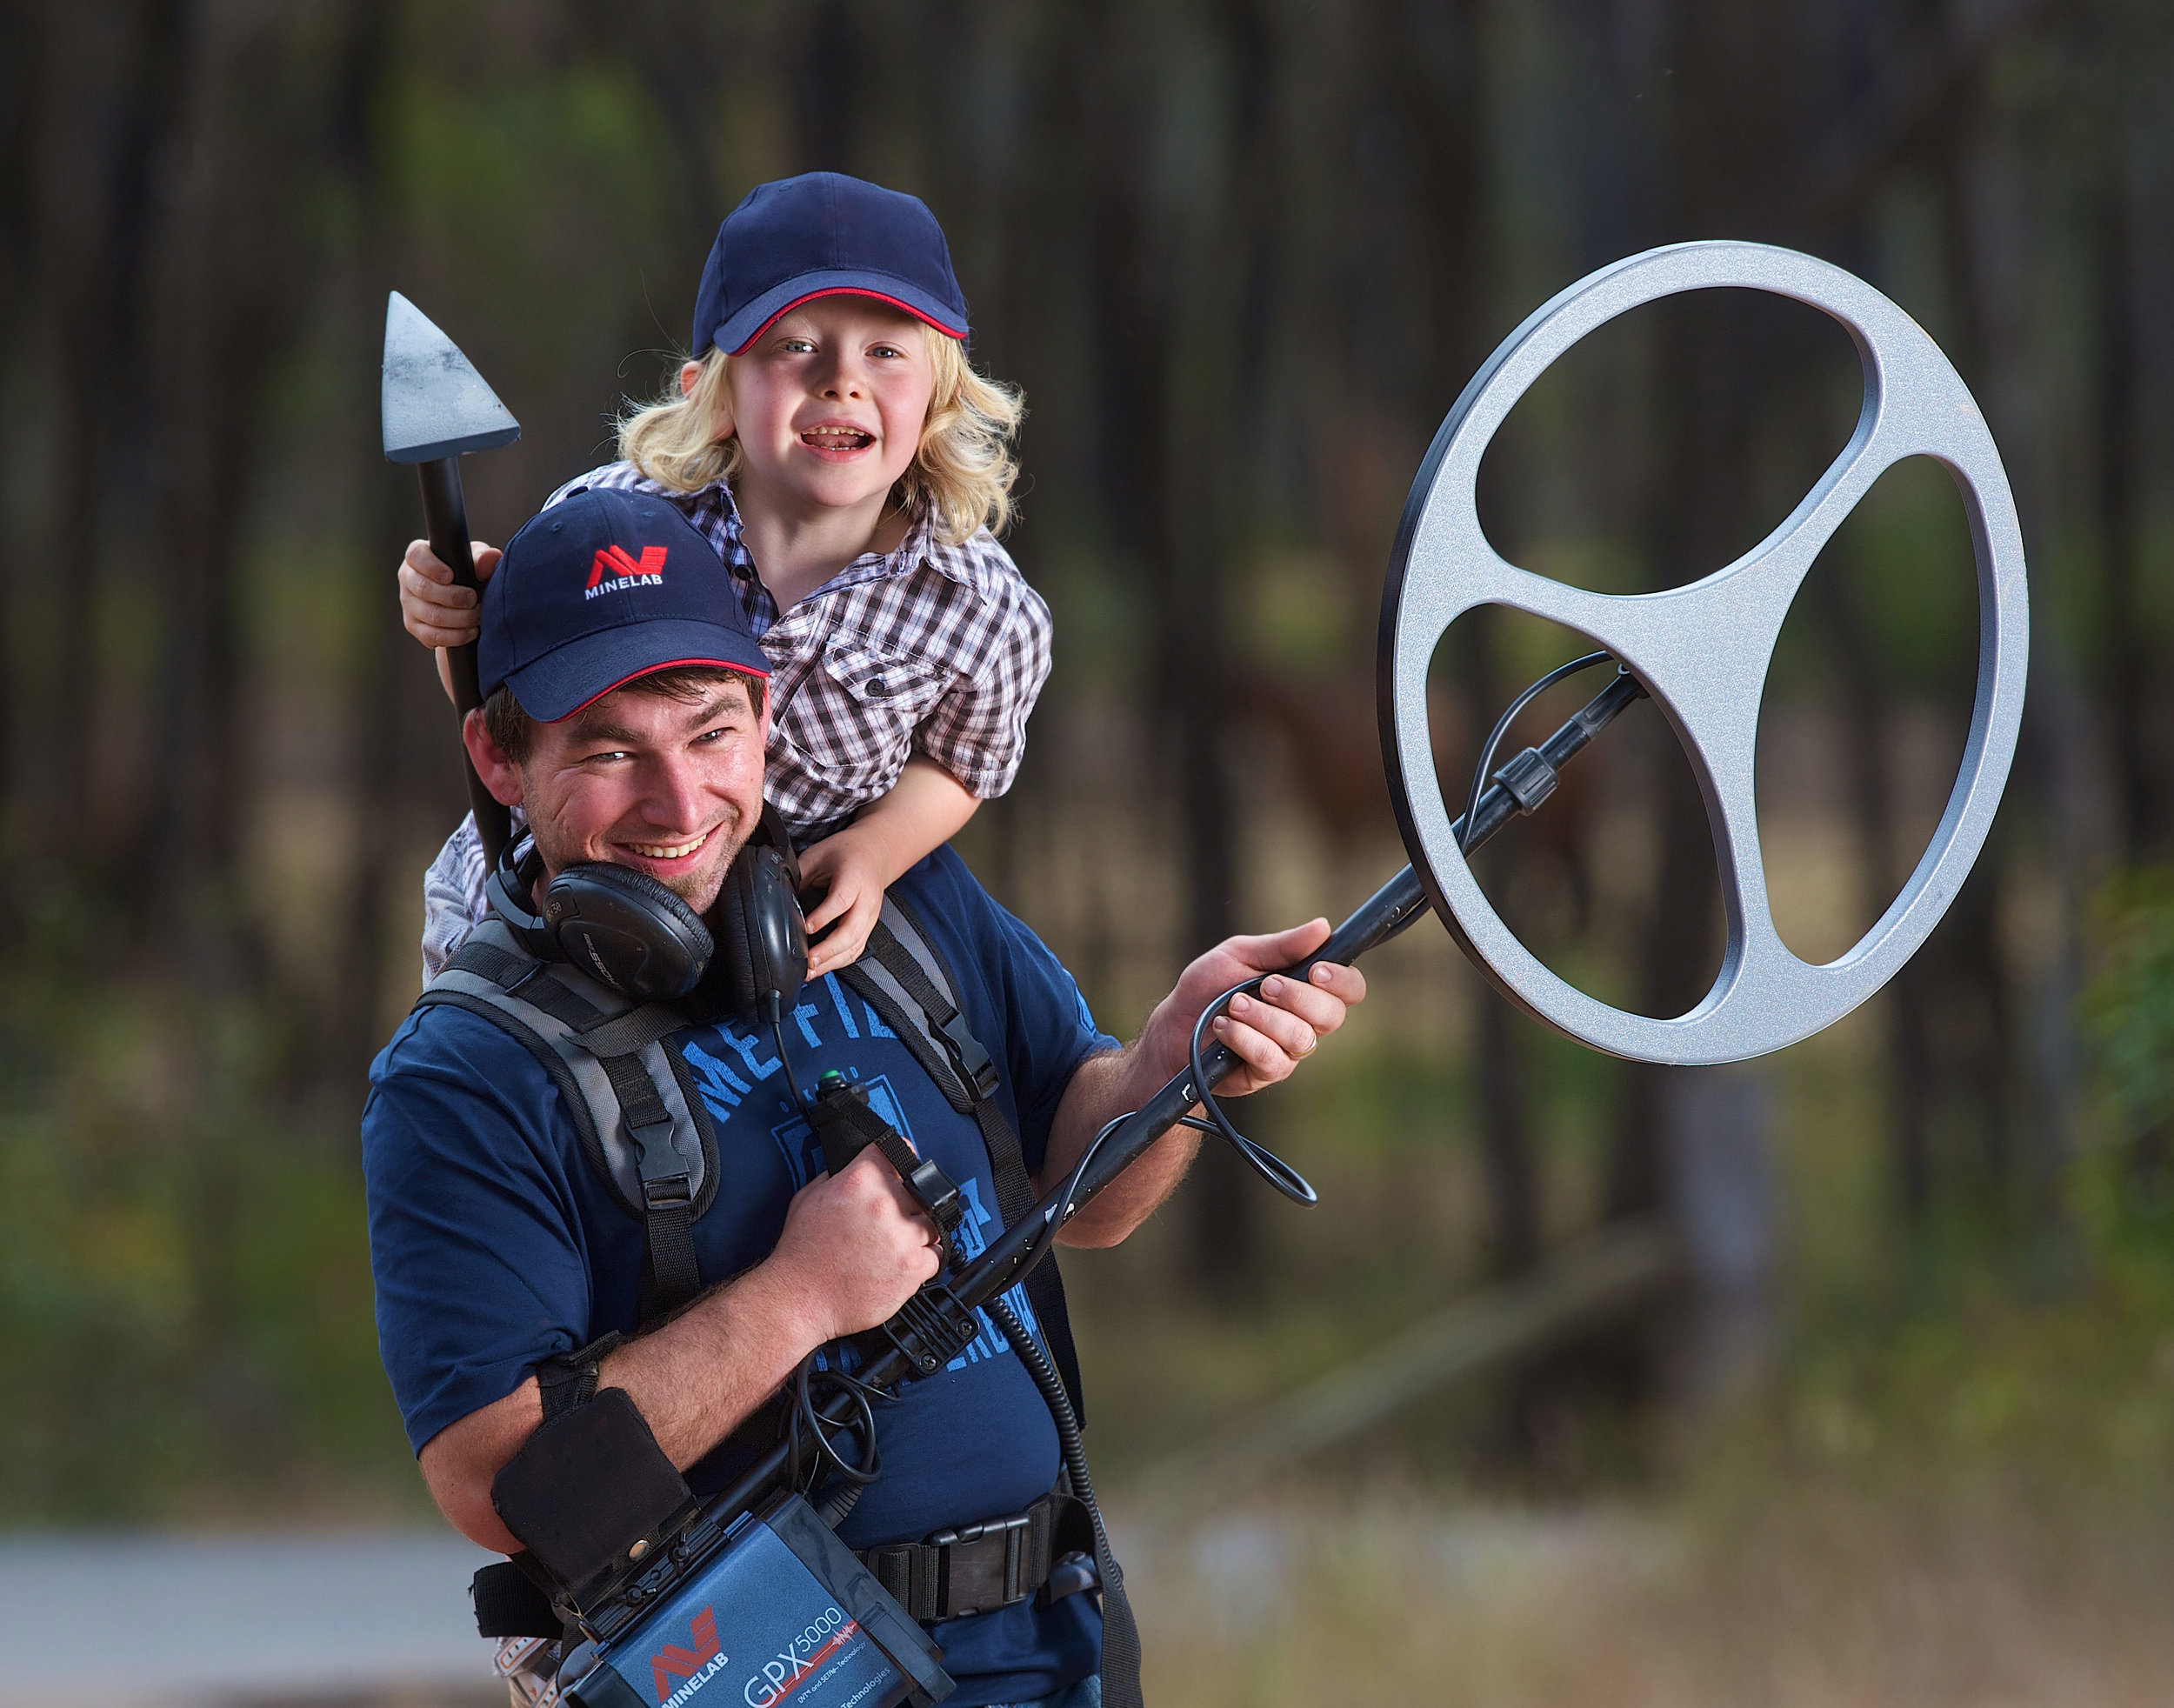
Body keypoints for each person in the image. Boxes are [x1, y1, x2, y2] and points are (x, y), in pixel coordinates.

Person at [361, 487, 1367, 1708]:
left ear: (766, 713)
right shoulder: (467, 1072)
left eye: (711, 733)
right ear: (498, 759)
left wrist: (1175, 1060)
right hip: (772, 1675)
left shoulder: (899, 903)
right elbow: (491, 1479)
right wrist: (797, 1301)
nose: (681, 806)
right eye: (611, 751)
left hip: (1055, 1652)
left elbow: (1076, 1190)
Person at [399, 170, 1047, 983]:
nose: (841, 379)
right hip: (561, 899)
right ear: (713, 390)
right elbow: (504, 713)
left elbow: (962, 761)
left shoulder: (978, 610)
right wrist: (452, 618)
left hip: (755, 929)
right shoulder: (618, 522)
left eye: (885, 351)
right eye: (794, 346)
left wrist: (877, 853)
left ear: (942, 397)